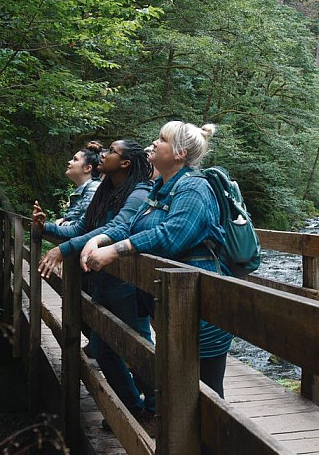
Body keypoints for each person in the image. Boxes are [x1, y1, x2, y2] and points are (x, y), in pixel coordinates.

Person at [79, 121, 233, 399]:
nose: (153, 143)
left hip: (202, 308)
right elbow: (131, 225)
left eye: (161, 139)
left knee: (207, 394)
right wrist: (99, 240)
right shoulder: (160, 187)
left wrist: (115, 251)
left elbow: (172, 235)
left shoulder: (195, 188)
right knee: (177, 386)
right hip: (170, 304)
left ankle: (213, 444)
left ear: (180, 153)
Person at [32, 139, 157, 430]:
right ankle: (131, 407)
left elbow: (117, 229)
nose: (103, 154)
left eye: (110, 152)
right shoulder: (106, 189)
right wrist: (46, 228)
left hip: (128, 283)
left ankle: (154, 410)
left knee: (138, 348)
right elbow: (84, 228)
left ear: (125, 163)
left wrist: (62, 250)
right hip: (102, 280)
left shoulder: (139, 192)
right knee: (103, 349)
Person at [56, 141, 102, 226]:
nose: (69, 162)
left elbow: (85, 225)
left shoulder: (93, 188)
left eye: (75, 159)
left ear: (87, 168)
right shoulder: (87, 187)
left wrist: (62, 224)